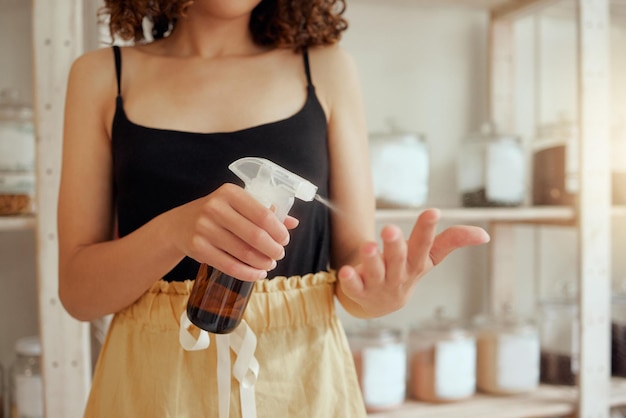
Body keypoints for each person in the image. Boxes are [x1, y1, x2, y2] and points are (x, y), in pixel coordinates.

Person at [57, 0, 490, 417]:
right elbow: (79, 296)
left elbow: (354, 268)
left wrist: (380, 292)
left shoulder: (326, 69)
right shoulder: (101, 76)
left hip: (299, 388)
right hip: (151, 393)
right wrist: (173, 233)